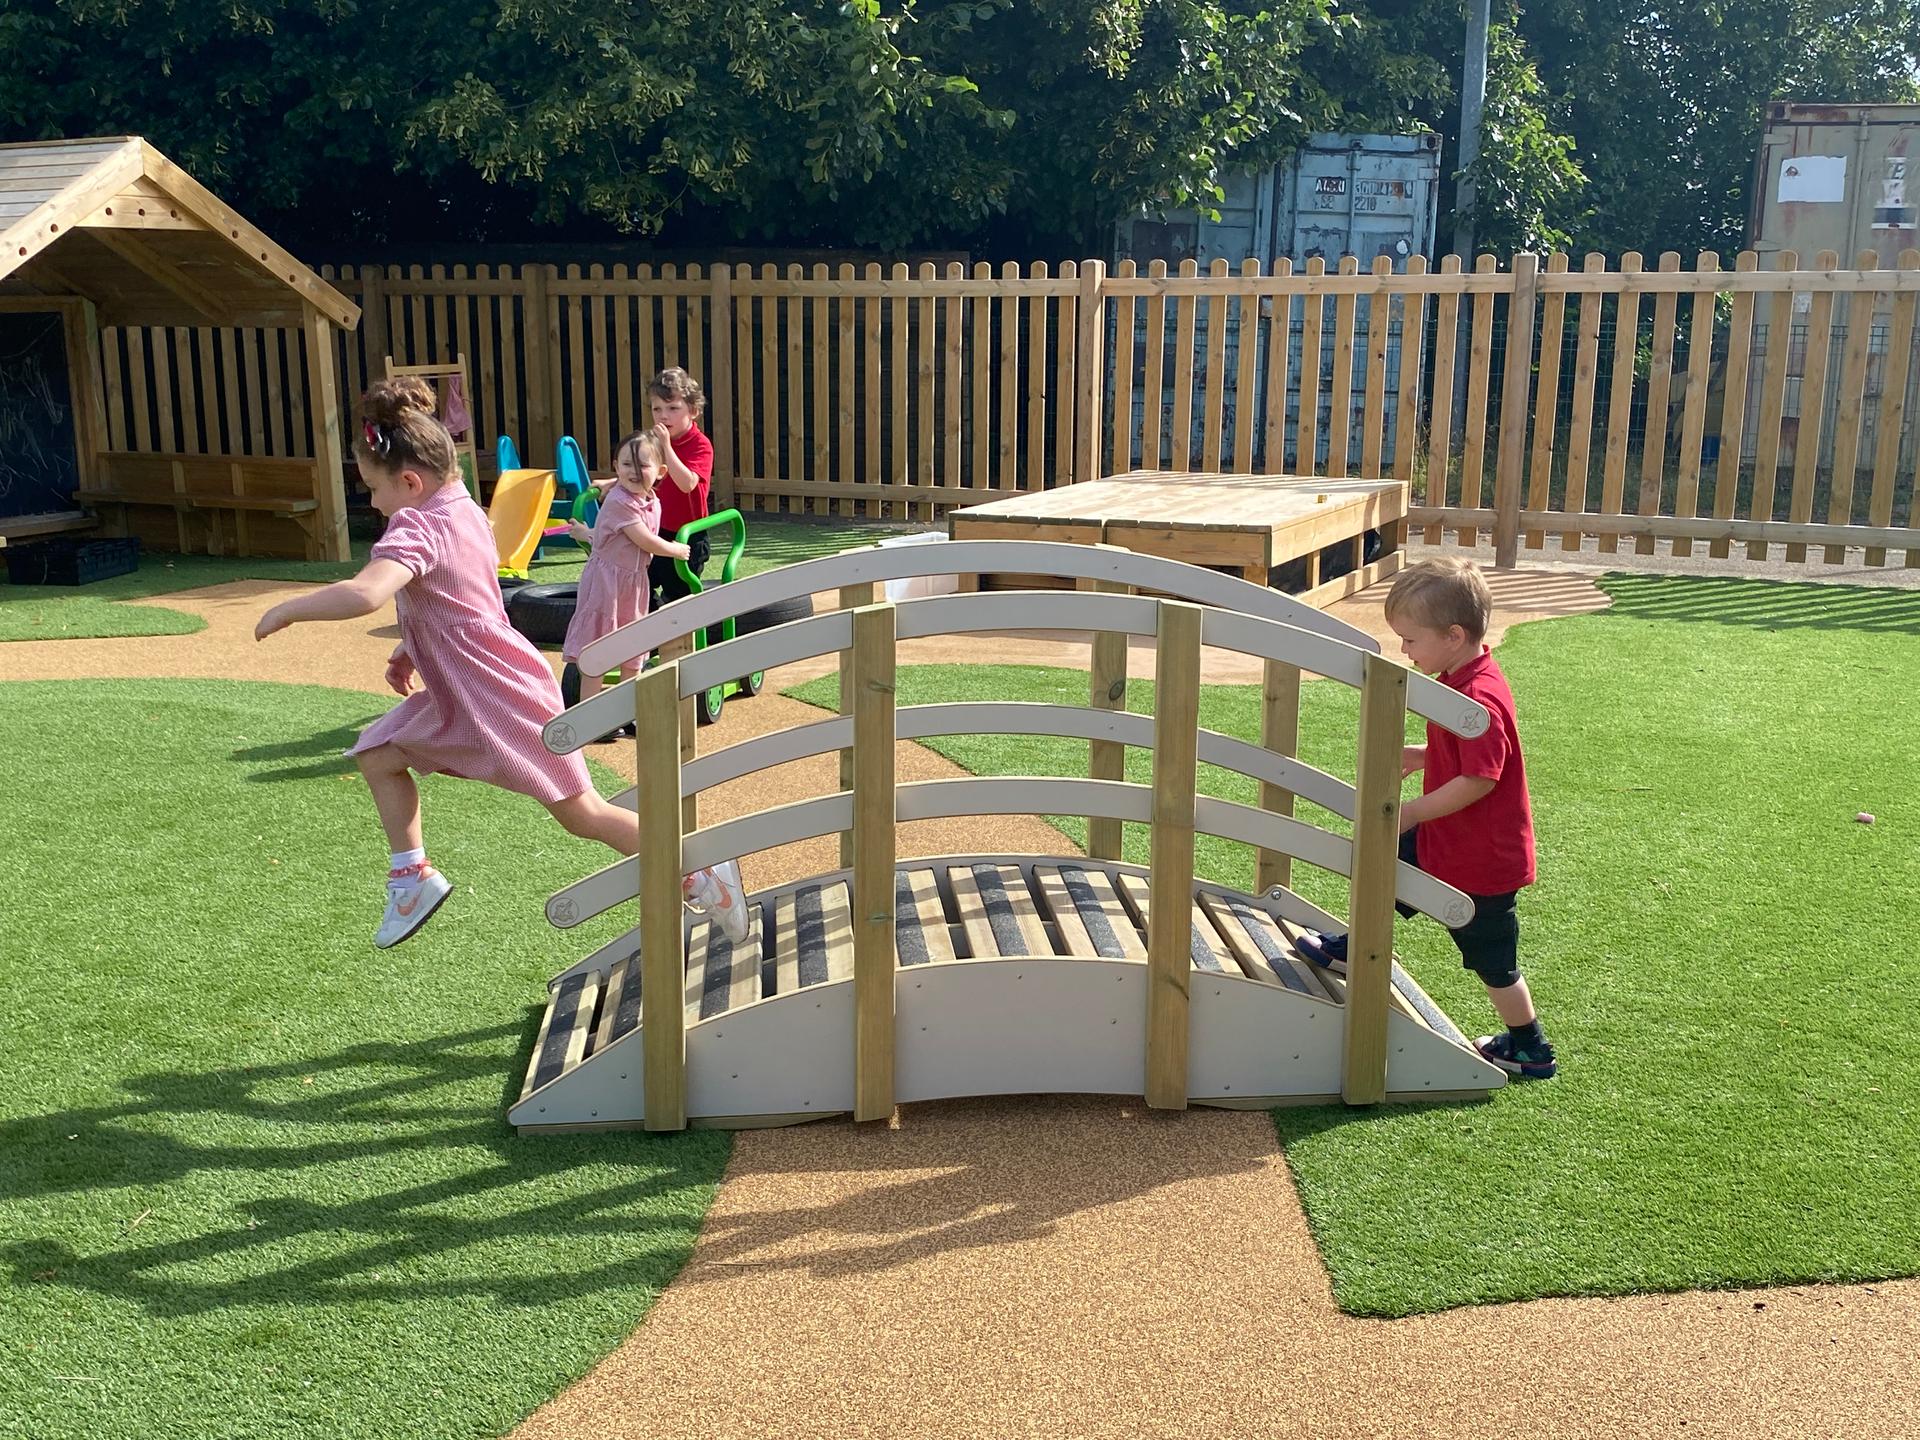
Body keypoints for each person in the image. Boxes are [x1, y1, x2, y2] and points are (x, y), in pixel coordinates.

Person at [253, 377, 747, 950]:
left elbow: (366, 594)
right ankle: (411, 877)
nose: (372, 502)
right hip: (467, 690)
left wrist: (290, 608)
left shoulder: (417, 523)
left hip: (496, 692)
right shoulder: (461, 507)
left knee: (584, 815)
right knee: (377, 754)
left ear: (410, 482)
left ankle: (702, 869)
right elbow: (464, 592)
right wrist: (411, 643)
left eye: (373, 489)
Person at [1294, 558, 1556, 1080]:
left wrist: (1411, 810)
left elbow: (1482, 778)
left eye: (1410, 640)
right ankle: (1354, 946)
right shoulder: (1461, 676)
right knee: (1383, 866)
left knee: (1491, 959)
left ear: (1454, 635)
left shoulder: (1478, 697)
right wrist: (1422, 755)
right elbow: (1461, 755)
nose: (1403, 650)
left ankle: (1531, 1046)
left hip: (1481, 859)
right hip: (1448, 838)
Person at [564, 429, 689, 724]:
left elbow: (616, 536)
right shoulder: (621, 500)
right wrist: (674, 549)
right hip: (607, 583)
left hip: (633, 581)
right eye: (626, 465)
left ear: (659, 472)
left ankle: (625, 713)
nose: (634, 471)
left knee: (633, 644)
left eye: (642, 465)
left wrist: (588, 533)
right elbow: (642, 539)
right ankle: (592, 716)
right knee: (600, 646)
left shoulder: (651, 500)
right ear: (616, 467)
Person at [644, 367, 715, 608]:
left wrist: (665, 447)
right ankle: (651, 636)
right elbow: (644, 474)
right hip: (656, 530)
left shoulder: (700, 445)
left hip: (688, 537)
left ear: (693, 411)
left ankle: (676, 633)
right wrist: (611, 483)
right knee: (640, 583)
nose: (664, 416)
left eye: (673, 408)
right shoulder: (653, 442)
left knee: (679, 595)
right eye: (657, 409)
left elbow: (687, 484)